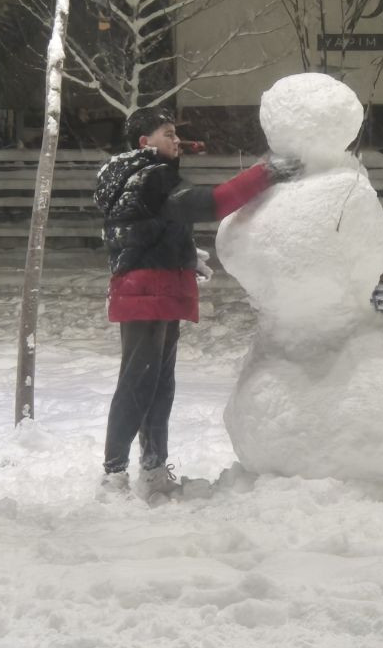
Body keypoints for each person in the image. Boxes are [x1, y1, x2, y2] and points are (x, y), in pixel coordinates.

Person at [93, 107, 298, 501]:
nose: (176, 140)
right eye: (167, 133)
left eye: (175, 133)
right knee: (139, 384)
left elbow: (149, 230)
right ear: (144, 143)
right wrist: (265, 172)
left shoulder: (144, 179)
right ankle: (114, 475)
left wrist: (185, 256)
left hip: (158, 286)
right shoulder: (149, 175)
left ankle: (152, 469)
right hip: (146, 291)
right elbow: (210, 203)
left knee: (157, 386)